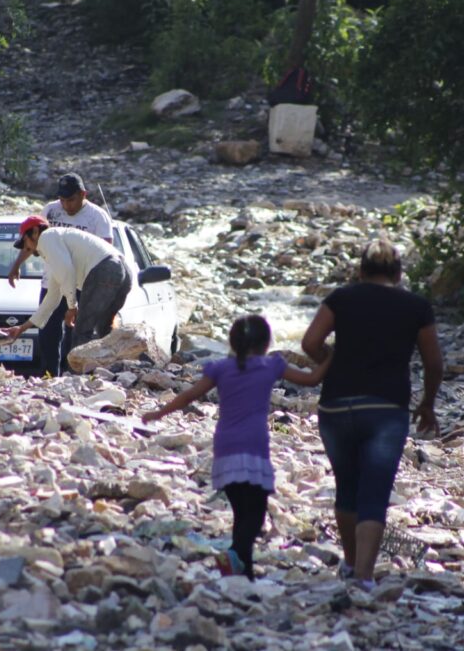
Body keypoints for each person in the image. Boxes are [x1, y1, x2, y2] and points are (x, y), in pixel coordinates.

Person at [142, 315, 331, 580]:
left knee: (241, 512)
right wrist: (332, 358)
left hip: (225, 447)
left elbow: (188, 395)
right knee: (255, 514)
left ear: (233, 342)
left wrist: (157, 414)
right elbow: (311, 380)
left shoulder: (221, 368)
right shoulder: (271, 366)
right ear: (267, 343)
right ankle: (234, 555)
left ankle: (244, 570)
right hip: (253, 447)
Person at [301, 239, 443, 591]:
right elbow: (433, 361)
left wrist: (329, 362)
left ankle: (349, 566)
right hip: (385, 409)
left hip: (336, 406)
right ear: (398, 273)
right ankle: (364, 576)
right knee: (374, 492)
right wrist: (427, 403)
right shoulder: (416, 307)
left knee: (346, 488)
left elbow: (309, 342)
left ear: (361, 271)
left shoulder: (341, 298)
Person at [8, 173, 113, 375]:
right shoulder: (50, 211)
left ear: (83, 194)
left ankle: (71, 375)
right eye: (63, 200)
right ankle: (49, 376)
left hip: (82, 283)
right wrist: (17, 265)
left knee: (75, 334)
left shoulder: (98, 217)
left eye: (71, 200)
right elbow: (31, 238)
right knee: (47, 332)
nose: (66, 205)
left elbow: (105, 253)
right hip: (53, 280)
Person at [1, 215, 130, 356]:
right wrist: (22, 328)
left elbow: (67, 272)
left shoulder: (47, 237)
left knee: (82, 330)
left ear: (35, 231)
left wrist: (72, 307)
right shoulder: (58, 248)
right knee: (105, 328)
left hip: (105, 270)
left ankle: (79, 376)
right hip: (124, 272)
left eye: (25, 241)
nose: (27, 248)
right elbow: (52, 297)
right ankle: (115, 369)